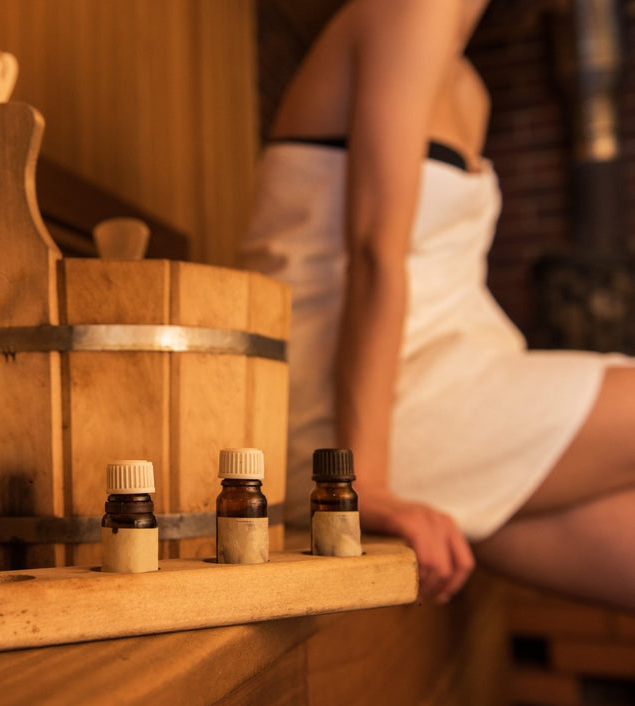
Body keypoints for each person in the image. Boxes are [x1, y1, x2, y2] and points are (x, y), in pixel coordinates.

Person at [241, 0, 635, 610]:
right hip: (355, 422)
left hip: (436, 386)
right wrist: (357, 486)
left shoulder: (464, 79)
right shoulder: (411, 7)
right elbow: (374, 254)